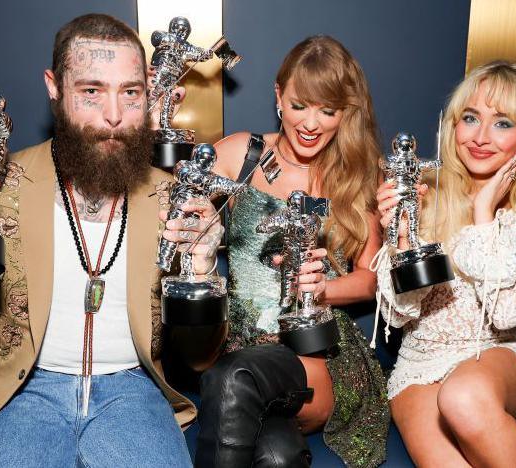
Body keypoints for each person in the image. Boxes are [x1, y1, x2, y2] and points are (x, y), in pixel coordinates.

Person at [0, 13, 221, 467]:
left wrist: (203, 274)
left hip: (133, 393)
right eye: (91, 91)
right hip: (25, 391)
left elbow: (199, 361)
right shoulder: (2, 186)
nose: (115, 116)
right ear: (54, 87)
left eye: (131, 93)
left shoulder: (174, 197)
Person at [166, 35, 390, 467]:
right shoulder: (242, 155)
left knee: (233, 379)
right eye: (300, 104)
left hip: (316, 354)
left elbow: (370, 279)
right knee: (278, 454)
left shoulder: (357, 173)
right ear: (278, 96)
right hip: (239, 344)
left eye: (329, 110)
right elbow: (172, 197)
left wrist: (324, 288)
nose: (311, 123)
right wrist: (190, 222)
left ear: (345, 113)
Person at [374, 61, 516, 467]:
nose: (481, 137)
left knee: (463, 396)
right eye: (470, 118)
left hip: (497, 355)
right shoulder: (422, 199)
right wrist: (401, 241)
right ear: (453, 126)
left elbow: (504, 314)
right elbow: (399, 313)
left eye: (502, 123)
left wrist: (483, 214)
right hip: (419, 363)